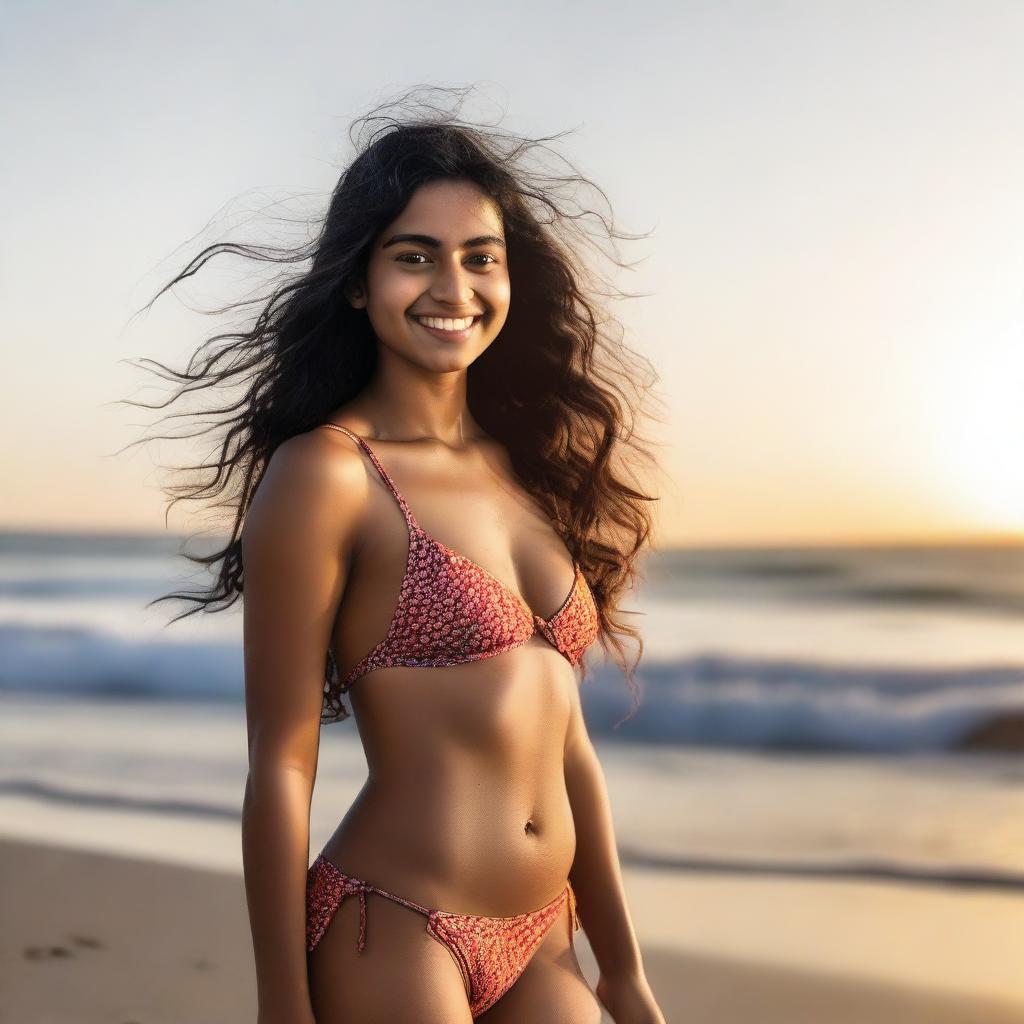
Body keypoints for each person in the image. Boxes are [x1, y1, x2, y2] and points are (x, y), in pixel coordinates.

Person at [135, 88, 664, 1023]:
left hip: (545, 934)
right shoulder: (328, 475)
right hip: (396, 927)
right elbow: (282, 762)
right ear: (356, 280)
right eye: (413, 257)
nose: (453, 290)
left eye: (479, 259)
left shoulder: (526, 470)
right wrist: (280, 1006)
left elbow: (567, 742)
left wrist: (622, 969)